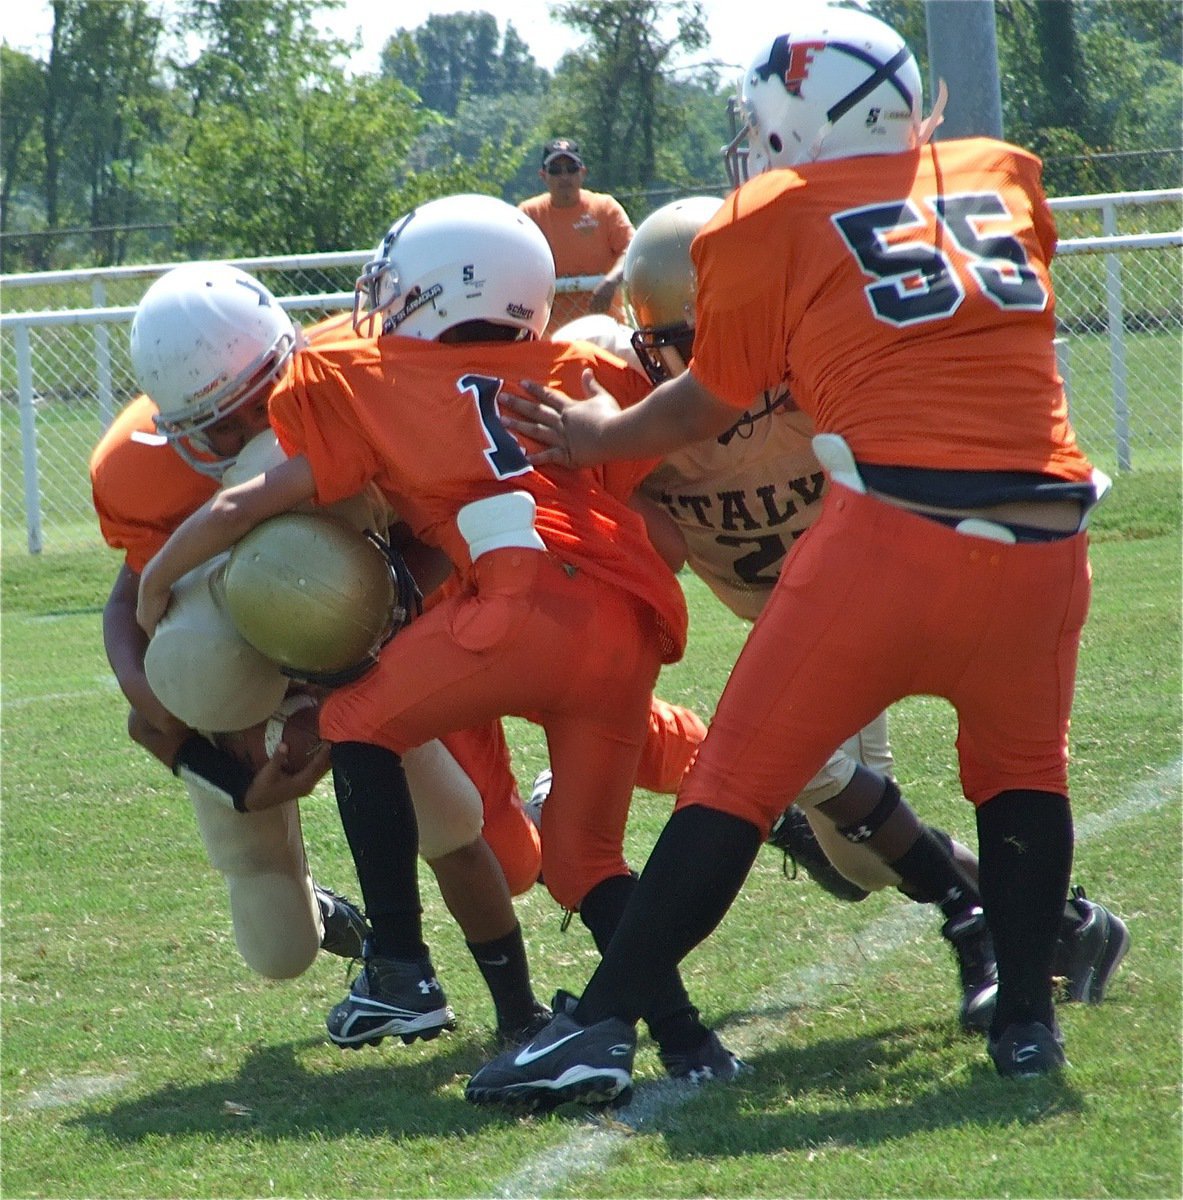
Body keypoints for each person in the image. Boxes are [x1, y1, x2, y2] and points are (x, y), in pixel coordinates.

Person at [468, 6, 1118, 1104]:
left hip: (893, 542)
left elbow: (709, 398)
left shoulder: (765, 217)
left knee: (732, 780)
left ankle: (599, 1024)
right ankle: (1025, 1027)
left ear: (789, 123)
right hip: (1050, 536)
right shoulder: (1002, 172)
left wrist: (595, 438)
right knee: (1023, 774)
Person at [133, 196, 742, 1084]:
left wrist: (156, 583)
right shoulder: (572, 363)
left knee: (353, 722)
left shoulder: (372, 377)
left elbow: (245, 502)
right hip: (624, 624)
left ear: (432, 291)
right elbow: (648, 480)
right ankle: (690, 1045)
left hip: (512, 610)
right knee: (583, 861)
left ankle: (400, 968)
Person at [554, 199, 1129, 1031]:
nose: (696, 362)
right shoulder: (626, 396)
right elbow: (651, 540)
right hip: (793, 630)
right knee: (855, 861)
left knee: (804, 777)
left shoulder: (829, 374)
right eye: (674, 342)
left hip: (877, 603)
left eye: (713, 336)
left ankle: (981, 924)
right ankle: (1065, 925)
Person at [97, 266, 549, 1045]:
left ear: (291, 367)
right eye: (218, 431)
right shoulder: (139, 471)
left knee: (481, 848)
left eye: (256, 410)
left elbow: (433, 535)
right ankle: (331, 915)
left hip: (358, 645)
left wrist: (386, 614)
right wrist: (213, 753)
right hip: (235, 685)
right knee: (279, 950)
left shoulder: (357, 393)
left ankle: (517, 1008)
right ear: (177, 429)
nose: (245, 441)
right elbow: (134, 646)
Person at [518, 137, 634, 333]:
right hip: (551, 337)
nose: (564, 177)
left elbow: (632, 248)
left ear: (583, 173)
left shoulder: (605, 208)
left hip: (606, 330)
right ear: (543, 175)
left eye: (571, 168)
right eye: (555, 170)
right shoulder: (529, 214)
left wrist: (610, 281)